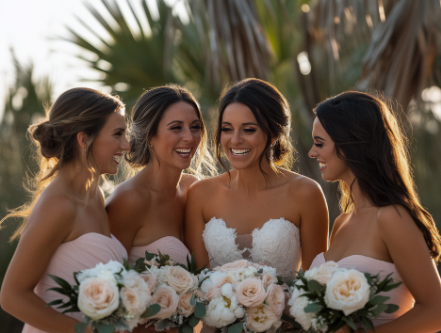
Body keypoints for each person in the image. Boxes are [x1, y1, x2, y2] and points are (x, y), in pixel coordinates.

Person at [308, 91, 441, 332]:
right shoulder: (342, 223)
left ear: (350, 145)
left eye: (319, 143)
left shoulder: (391, 217)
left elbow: (436, 312)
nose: (312, 152)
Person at [0, 88, 129, 333]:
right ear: (84, 139)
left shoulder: (95, 195)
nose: (127, 144)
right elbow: (11, 296)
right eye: (118, 134)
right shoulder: (59, 204)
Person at [185, 78, 329, 275]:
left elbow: (316, 282)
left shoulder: (306, 193)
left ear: (274, 134)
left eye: (249, 129)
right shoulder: (200, 195)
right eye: (227, 129)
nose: (235, 140)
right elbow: (197, 282)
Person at [106, 85, 216, 268]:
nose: (189, 137)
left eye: (195, 127)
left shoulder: (193, 189)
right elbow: (107, 279)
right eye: (176, 128)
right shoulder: (128, 201)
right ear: (150, 136)